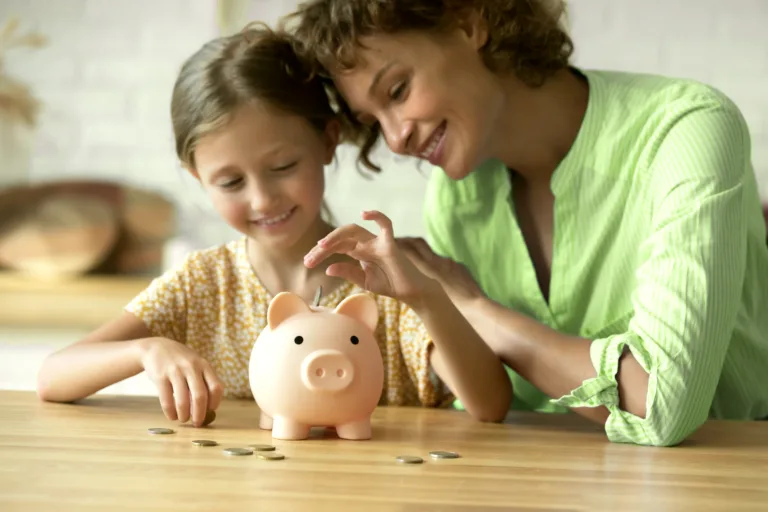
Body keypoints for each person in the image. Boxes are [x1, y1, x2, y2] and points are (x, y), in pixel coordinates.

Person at [288, 0, 768, 446]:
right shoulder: (458, 195)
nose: (395, 139)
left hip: (721, 470)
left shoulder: (686, 130)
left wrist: (472, 308)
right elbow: (491, 404)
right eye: (373, 121)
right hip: (539, 472)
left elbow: (663, 404)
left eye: (397, 90)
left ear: (468, 23)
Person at [35, 24, 513, 427]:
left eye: (284, 167)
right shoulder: (202, 285)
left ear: (327, 142)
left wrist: (426, 298)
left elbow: (491, 405)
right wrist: (146, 351)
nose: (262, 199)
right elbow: (53, 375)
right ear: (198, 177)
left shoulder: (388, 279)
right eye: (230, 181)